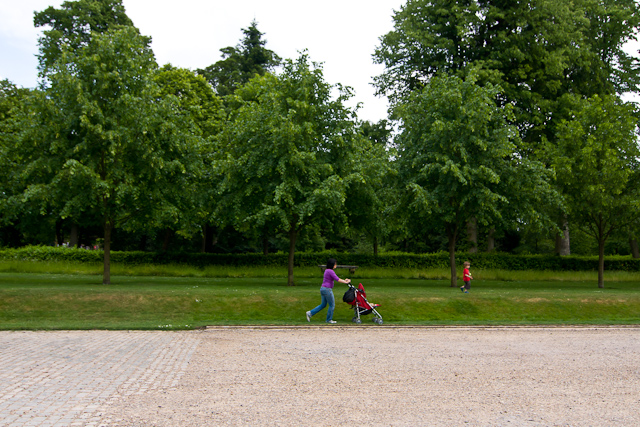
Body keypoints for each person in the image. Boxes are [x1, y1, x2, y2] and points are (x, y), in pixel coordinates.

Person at [306, 258, 351, 324]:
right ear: (332, 265)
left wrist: (344, 280)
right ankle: (329, 320)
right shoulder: (330, 271)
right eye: (335, 264)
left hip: (323, 289)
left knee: (323, 305)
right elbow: (337, 279)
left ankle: (310, 313)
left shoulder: (327, 270)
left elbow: (336, 278)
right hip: (327, 289)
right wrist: (346, 282)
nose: (336, 265)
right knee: (332, 305)